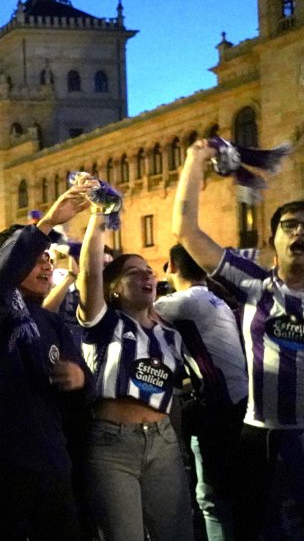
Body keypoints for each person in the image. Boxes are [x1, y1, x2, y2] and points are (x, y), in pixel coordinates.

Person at [173, 138, 304, 539]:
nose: (300, 232)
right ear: (273, 243)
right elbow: (185, 231)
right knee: (253, 530)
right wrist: (195, 160)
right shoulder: (254, 284)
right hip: (259, 438)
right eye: (289, 226)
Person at [0, 184, 92, 540]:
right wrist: (46, 223)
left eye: (48, 257)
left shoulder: (51, 321)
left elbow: (84, 382)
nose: (47, 262)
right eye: (36, 257)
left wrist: (79, 378)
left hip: (50, 461)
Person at [77, 198, 193, 541]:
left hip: (164, 445)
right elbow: (90, 272)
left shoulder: (170, 334)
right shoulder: (104, 323)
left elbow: (172, 397)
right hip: (112, 446)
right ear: (113, 288)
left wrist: (179, 444)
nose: (147, 275)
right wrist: (99, 218)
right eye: (134, 272)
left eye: (150, 271)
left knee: (176, 534)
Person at [155, 243, 247, 541]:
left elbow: (134, 312)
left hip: (220, 408)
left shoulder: (185, 301)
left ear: (171, 265)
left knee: (213, 500)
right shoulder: (212, 299)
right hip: (236, 403)